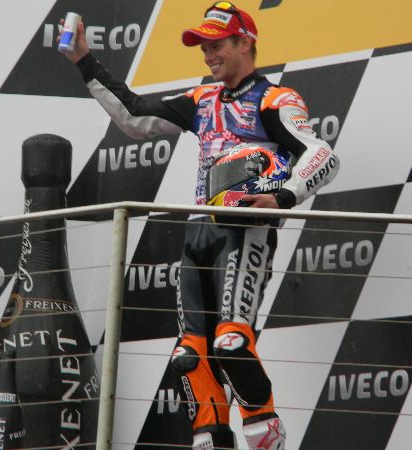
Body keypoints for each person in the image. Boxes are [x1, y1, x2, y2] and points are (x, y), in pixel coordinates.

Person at [60, 2, 339, 449]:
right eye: (203, 47)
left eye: (217, 45)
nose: (208, 55)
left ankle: (265, 429)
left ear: (245, 42)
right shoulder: (201, 99)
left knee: (230, 343)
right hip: (198, 232)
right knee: (190, 354)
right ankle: (210, 438)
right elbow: (133, 117)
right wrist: (84, 61)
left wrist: (282, 196)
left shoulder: (274, 100)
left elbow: (322, 153)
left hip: (244, 233)